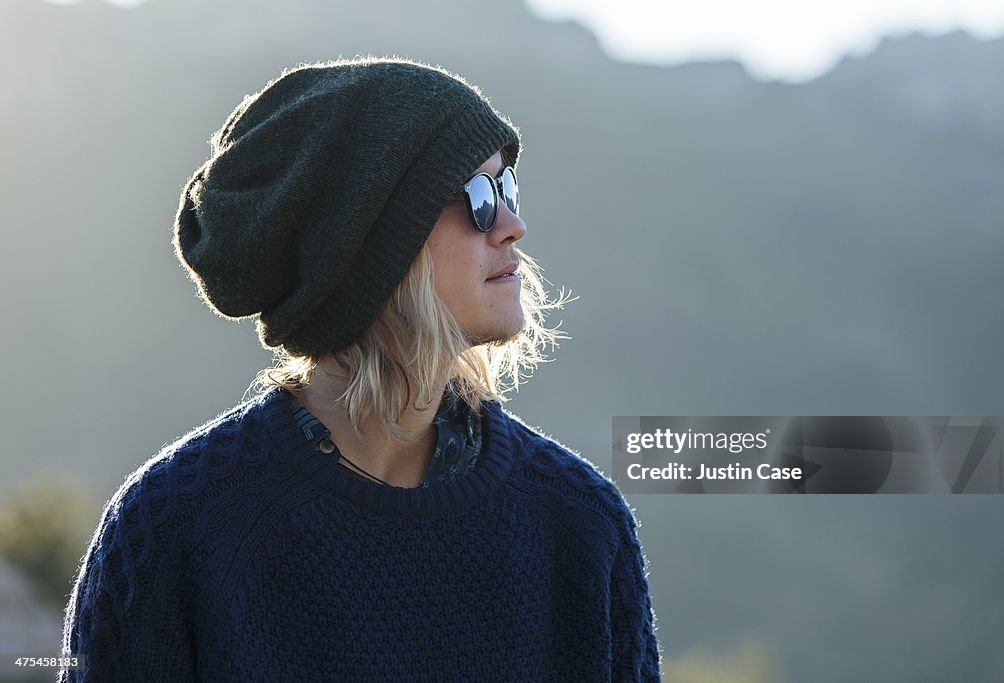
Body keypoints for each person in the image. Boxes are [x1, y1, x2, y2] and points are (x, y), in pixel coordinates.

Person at [60, 57, 661, 681]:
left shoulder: (579, 522)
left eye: (508, 189)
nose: (513, 226)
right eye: (480, 199)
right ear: (367, 246)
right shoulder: (177, 523)